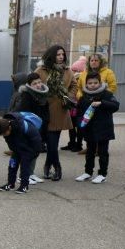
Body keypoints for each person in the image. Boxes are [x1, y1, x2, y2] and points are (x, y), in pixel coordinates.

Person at [35, 45, 78, 180]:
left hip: (60, 108)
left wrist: (69, 96)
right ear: (52, 55)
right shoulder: (41, 70)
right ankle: (50, 165)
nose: (61, 57)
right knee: (50, 142)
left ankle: (56, 167)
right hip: (45, 109)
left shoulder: (67, 70)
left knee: (53, 142)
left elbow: (74, 85)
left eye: (62, 55)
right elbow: (32, 84)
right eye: (58, 54)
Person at [74, 72, 119, 184]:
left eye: (95, 82)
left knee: (103, 152)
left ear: (100, 83)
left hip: (104, 128)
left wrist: (101, 103)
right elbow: (79, 112)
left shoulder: (107, 94)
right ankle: (88, 172)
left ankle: (102, 174)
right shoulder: (84, 97)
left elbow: (115, 106)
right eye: (90, 83)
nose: (93, 85)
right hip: (89, 129)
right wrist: (80, 123)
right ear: (86, 84)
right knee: (90, 152)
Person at [69, 53, 118, 154]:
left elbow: (112, 86)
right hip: (87, 102)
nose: (94, 62)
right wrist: (81, 97)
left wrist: (102, 97)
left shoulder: (108, 72)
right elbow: (79, 87)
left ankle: (99, 148)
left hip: (101, 103)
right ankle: (90, 147)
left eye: (96, 60)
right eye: (92, 60)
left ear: (100, 62)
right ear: (89, 62)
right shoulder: (84, 73)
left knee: (99, 125)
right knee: (88, 125)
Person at [0, 113, 44, 194]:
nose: (4, 135)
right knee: (12, 166)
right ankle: (10, 184)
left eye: (4, 133)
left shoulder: (24, 127)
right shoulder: (4, 129)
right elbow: (9, 141)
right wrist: (12, 150)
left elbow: (37, 139)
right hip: (16, 150)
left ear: (9, 127)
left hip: (29, 150)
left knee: (24, 168)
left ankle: (24, 186)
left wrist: (34, 153)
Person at [16, 72, 50, 183]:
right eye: (35, 83)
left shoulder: (43, 95)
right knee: (27, 153)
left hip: (40, 128)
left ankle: (30, 173)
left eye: (39, 82)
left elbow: (46, 112)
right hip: (29, 129)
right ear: (29, 85)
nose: (38, 85)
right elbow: (24, 113)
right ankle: (23, 176)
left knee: (35, 151)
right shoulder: (27, 96)